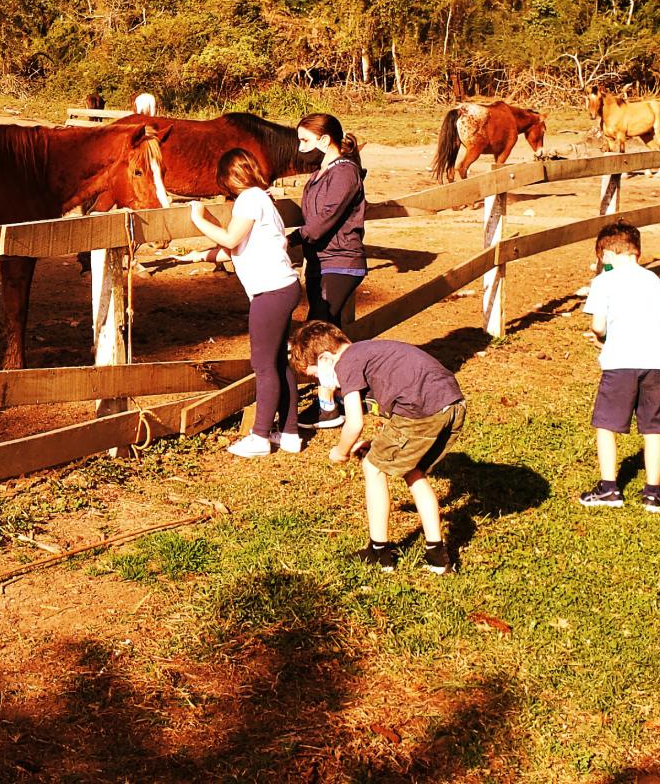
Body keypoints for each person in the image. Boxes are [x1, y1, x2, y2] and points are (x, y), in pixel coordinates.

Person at [290, 320, 464, 573]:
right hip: (452, 403)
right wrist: (378, 443)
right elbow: (405, 409)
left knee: (372, 467)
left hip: (421, 413)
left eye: (316, 375)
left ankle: (379, 552)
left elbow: (354, 424)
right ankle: (437, 556)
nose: (322, 383)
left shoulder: (346, 362)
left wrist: (341, 451)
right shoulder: (370, 353)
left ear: (326, 359)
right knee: (412, 469)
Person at [188, 148, 303, 458]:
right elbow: (238, 248)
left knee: (264, 366)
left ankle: (260, 436)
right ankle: (289, 432)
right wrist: (198, 256)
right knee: (279, 361)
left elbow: (228, 240)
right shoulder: (263, 199)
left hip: (271, 292)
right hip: (283, 286)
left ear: (229, 177)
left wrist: (198, 219)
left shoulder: (250, 199)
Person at [577, 222, 660, 511]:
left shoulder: (604, 282)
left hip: (621, 361)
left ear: (607, 254)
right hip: (657, 363)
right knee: (653, 428)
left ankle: (609, 489)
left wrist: (603, 339)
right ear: (637, 251)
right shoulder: (654, 281)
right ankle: (653, 493)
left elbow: (598, 326)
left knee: (606, 424)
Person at [291, 112, 367, 328]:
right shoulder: (318, 174)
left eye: (305, 141)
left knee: (317, 326)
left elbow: (327, 216)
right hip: (319, 261)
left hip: (340, 261)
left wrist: (293, 238)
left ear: (324, 140)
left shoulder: (344, 173)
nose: (300, 148)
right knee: (328, 328)